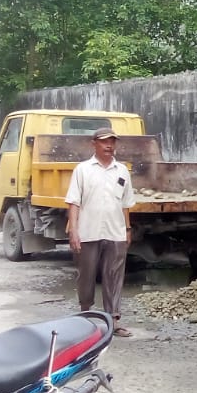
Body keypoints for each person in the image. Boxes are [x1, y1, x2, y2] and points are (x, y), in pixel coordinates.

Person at [65, 127, 135, 336]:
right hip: (88, 232)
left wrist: (128, 229)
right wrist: (74, 231)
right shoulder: (83, 170)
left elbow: (126, 203)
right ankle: (85, 316)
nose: (109, 145)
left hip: (115, 232)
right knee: (86, 275)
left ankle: (113, 320)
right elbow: (73, 202)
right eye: (105, 141)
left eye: (112, 142)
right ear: (93, 143)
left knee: (114, 276)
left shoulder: (122, 171)